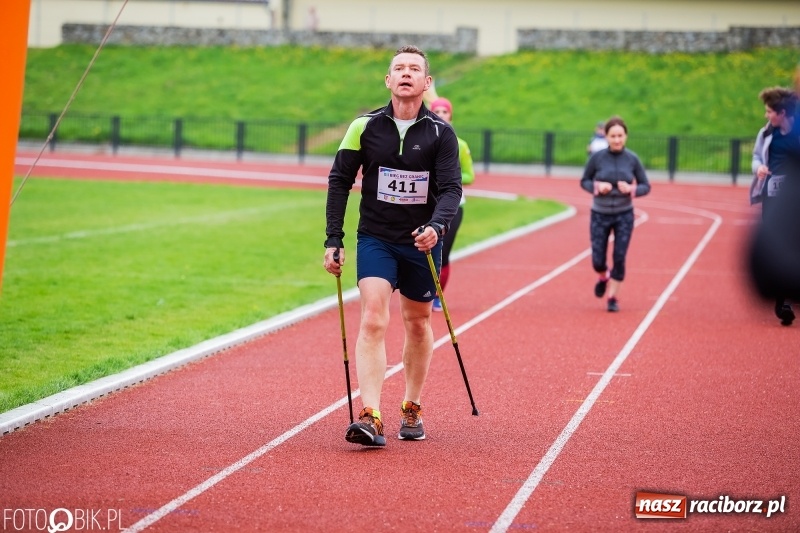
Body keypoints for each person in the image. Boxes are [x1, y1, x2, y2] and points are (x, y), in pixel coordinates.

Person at [323, 45, 462, 447]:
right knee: (372, 317)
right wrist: (334, 237)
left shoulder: (441, 133)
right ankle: (371, 415)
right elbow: (339, 181)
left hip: (421, 242)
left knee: (417, 323)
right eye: (399, 68)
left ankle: (411, 405)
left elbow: (451, 189)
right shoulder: (363, 127)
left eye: (414, 69)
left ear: (426, 82)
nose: (406, 73)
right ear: (388, 80)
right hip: (376, 237)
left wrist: (436, 226)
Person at [580, 116, 651, 312]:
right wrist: (597, 187)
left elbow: (646, 186)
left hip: (624, 215)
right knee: (598, 260)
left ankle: (612, 297)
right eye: (613, 136)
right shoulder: (597, 158)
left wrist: (631, 189)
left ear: (626, 136)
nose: (617, 140)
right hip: (599, 214)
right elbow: (584, 181)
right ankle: (603, 277)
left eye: (620, 136)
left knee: (619, 256)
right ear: (606, 137)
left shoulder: (632, 159)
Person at [747, 86, 799, 326]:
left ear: (783, 113)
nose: (766, 115)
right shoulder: (767, 133)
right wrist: (758, 167)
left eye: (769, 111)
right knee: (775, 245)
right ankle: (783, 303)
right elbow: (757, 156)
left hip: (795, 196)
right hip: (773, 196)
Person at [428, 97, 475, 311]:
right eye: (436, 111)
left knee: (442, 253)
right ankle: (420, 292)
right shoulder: (421, 140)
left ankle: (437, 296)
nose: (441, 114)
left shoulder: (460, 144)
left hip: (453, 206)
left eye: (444, 111)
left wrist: (449, 177)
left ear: (451, 116)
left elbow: (470, 175)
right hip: (425, 203)